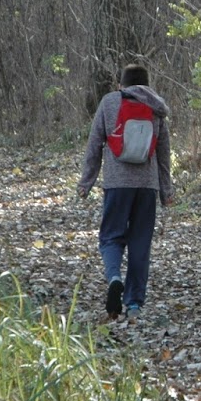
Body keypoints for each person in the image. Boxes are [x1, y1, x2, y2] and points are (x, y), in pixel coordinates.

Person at [78, 64, 175, 321]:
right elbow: (163, 153)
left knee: (110, 237)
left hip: (117, 184)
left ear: (121, 85)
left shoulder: (109, 102)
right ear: (147, 85)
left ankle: (114, 277)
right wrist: (166, 190)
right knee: (140, 244)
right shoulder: (156, 106)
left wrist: (86, 182)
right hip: (147, 187)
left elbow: (94, 143)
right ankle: (133, 305)